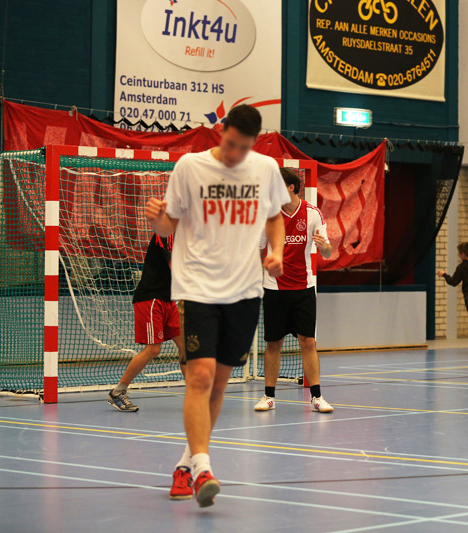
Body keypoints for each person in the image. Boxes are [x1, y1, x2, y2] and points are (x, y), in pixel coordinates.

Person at [146, 104, 289, 507]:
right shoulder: (190, 167)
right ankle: (204, 469)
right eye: (230, 144)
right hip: (197, 288)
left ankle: (185, 465)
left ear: (254, 144)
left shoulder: (265, 170)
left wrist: (277, 252)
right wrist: (156, 219)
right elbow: (168, 225)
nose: (234, 154)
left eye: (243, 148)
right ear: (221, 131)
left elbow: (274, 217)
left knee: (219, 384)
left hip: (245, 292)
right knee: (200, 377)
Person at [254, 169, 334, 413]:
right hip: (274, 288)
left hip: (303, 288)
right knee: (273, 343)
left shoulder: (312, 213)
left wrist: (324, 246)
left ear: (290, 187)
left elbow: (327, 252)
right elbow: (258, 249)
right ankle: (269, 396)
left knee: (307, 341)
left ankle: (317, 397)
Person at [107, 233, 184, 412]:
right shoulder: (165, 233)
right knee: (153, 349)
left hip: (168, 299)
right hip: (151, 299)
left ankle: (195, 393)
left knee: (185, 345)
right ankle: (118, 392)